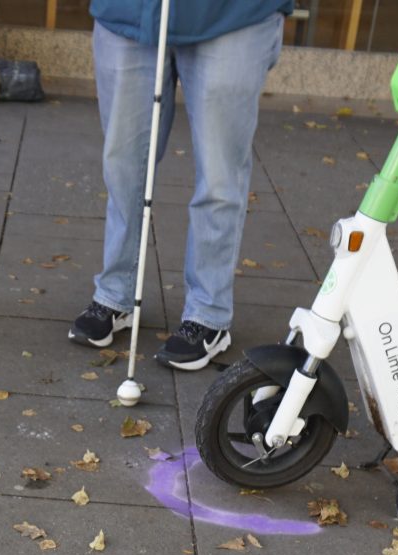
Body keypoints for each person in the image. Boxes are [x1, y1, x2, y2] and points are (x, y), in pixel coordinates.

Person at [69, 0, 287, 371]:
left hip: (233, 15)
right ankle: (115, 294)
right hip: (127, 14)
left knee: (220, 176)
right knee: (124, 166)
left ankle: (208, 314)